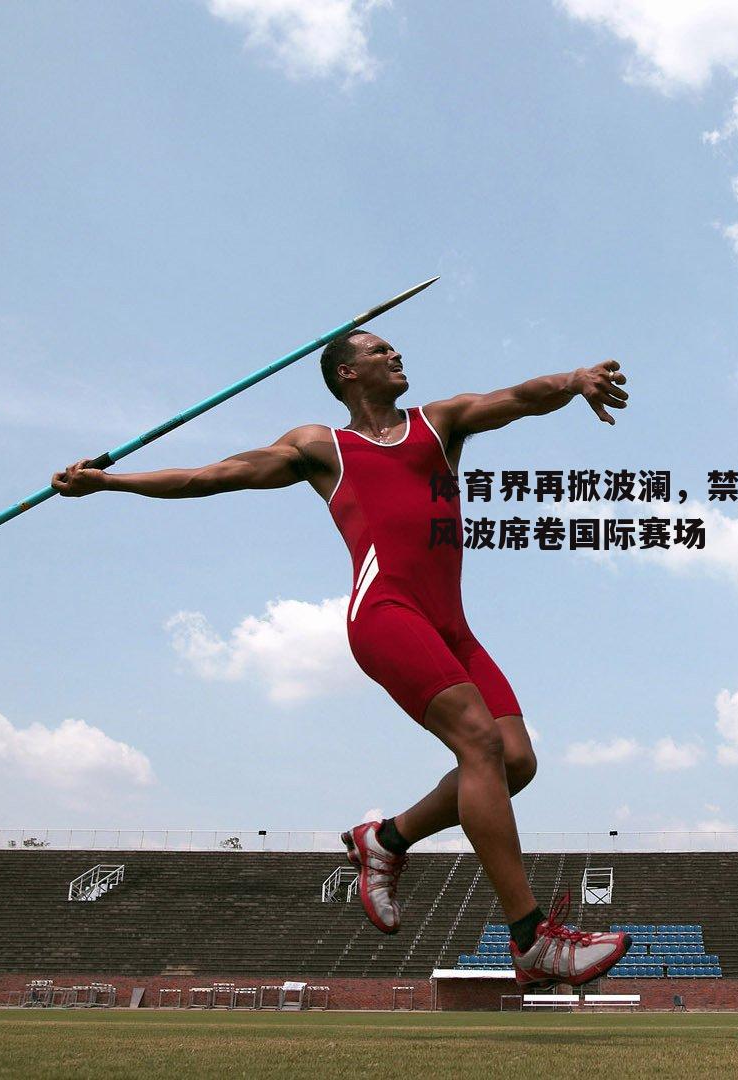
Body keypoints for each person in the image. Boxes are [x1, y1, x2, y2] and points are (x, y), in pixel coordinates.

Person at [51, 330, 632, 987]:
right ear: (347, 373)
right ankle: (531, 938)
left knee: (515, 761)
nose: (397, 354)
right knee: (478, 740)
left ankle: (384, 841)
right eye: (380, 350)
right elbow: (209, 476)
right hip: (386, 613)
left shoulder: (438, 423)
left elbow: (519, 398)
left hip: (453, 627)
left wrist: (576, 377)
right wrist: (108, 481)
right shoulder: (320, 447)